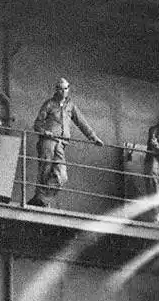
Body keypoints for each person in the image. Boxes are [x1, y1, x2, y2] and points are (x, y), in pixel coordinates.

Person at [29, 77, 104, 208]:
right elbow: (37, 124)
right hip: (48, 141)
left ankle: (41, 199)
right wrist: (44, 131)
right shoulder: (49, 104)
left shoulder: (71, 105)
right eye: (60, 89)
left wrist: (93, 137)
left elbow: (81, 122)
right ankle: (41, 200)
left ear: (68, 89)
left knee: (62, 176)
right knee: (45, 170)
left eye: (65, 88)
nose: (63, 91)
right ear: (56, 90)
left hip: (61, 144)